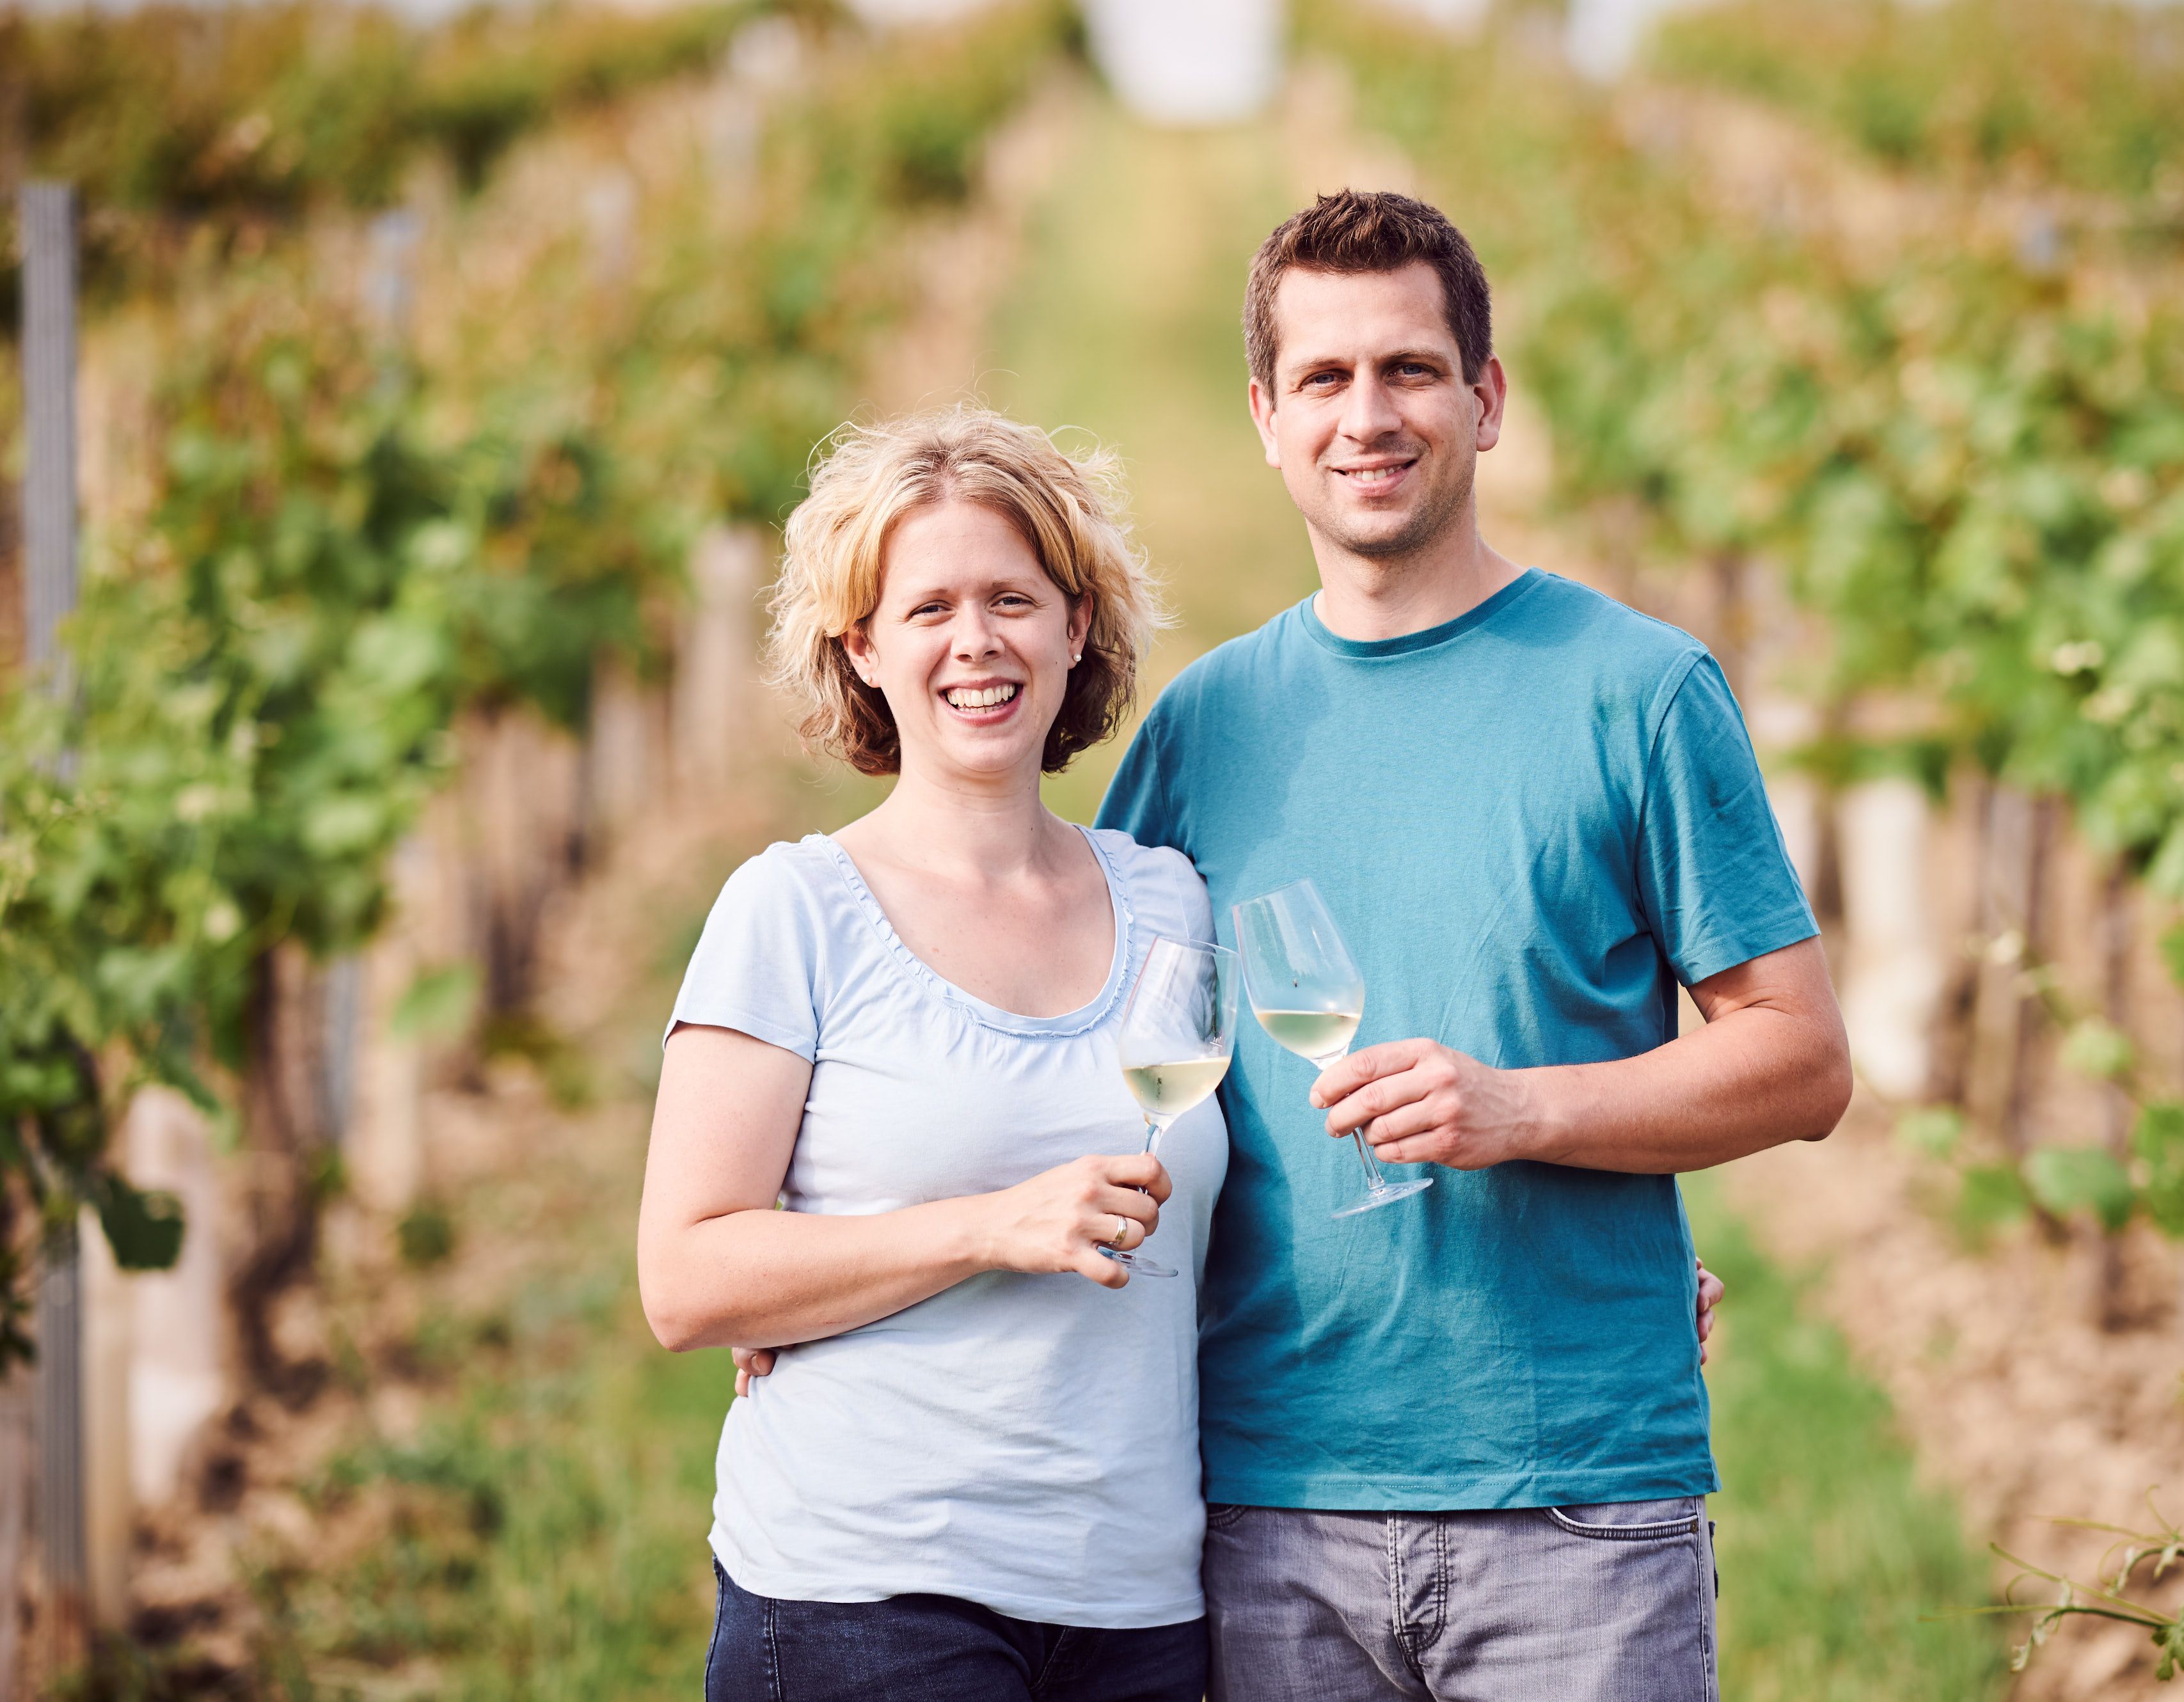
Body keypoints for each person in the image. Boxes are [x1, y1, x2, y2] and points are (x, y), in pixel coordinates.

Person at [1092, 189, 1852, 1702]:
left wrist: (1521, 1109)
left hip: (1578, 1508)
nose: (1366, 415)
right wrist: (872, 1295)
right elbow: (1091, 1063)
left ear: (1485, 399)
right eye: (1322, 377)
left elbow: (1802, 1061)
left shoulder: (1638, 691)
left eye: (1409, 370)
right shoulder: (1200, 728)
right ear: (1265, 418)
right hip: (1267, 1503)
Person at [636, 409, 1222, 1702]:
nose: (977, 641)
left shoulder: (1171, 900)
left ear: (1077, 625)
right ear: (862, 645)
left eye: (1013, 598)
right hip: (870, 1598)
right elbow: (683, 1279)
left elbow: (1244, 1216)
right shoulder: (794, 908)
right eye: (928, 608)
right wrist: (983, 1227)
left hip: (1138, 1603)